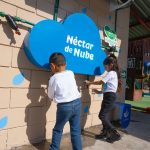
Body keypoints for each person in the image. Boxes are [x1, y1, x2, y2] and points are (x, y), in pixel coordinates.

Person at [48, 52, 82, 150]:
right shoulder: (71, 73)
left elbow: (50, 95)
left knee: (58, 130)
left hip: (64, 107)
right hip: (77, 103)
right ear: (65, 64)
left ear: (52, 66)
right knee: (75, 130)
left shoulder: (53, 78)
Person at [84, 54, 121, 143]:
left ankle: (115, 133)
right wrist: (99, 92)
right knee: (104, 115)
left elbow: (101, 82)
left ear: (111, 65)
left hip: (110, 97)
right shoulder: (113, 73)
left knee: (102, 115)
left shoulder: (111, 73)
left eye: (106, 67)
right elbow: (108, 87)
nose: (105, 69)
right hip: (108, 96)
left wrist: (90, 82)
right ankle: (105, 133)